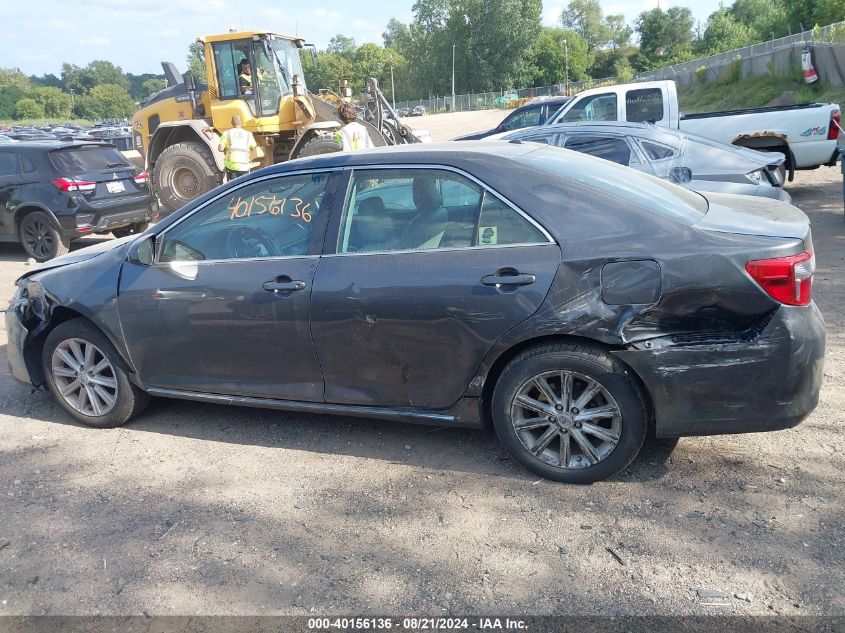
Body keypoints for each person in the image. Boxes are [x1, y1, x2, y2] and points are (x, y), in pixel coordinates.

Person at [218, 115, 258, 181]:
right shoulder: (248, 134)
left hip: (231, 166)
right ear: (242, 122)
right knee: (244, 185)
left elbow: (220, 149)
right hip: (244, 166)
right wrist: (250, 159)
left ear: (231, 123)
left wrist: (225, 149)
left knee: (233, 187)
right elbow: (253, 148)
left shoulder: (226, 133)